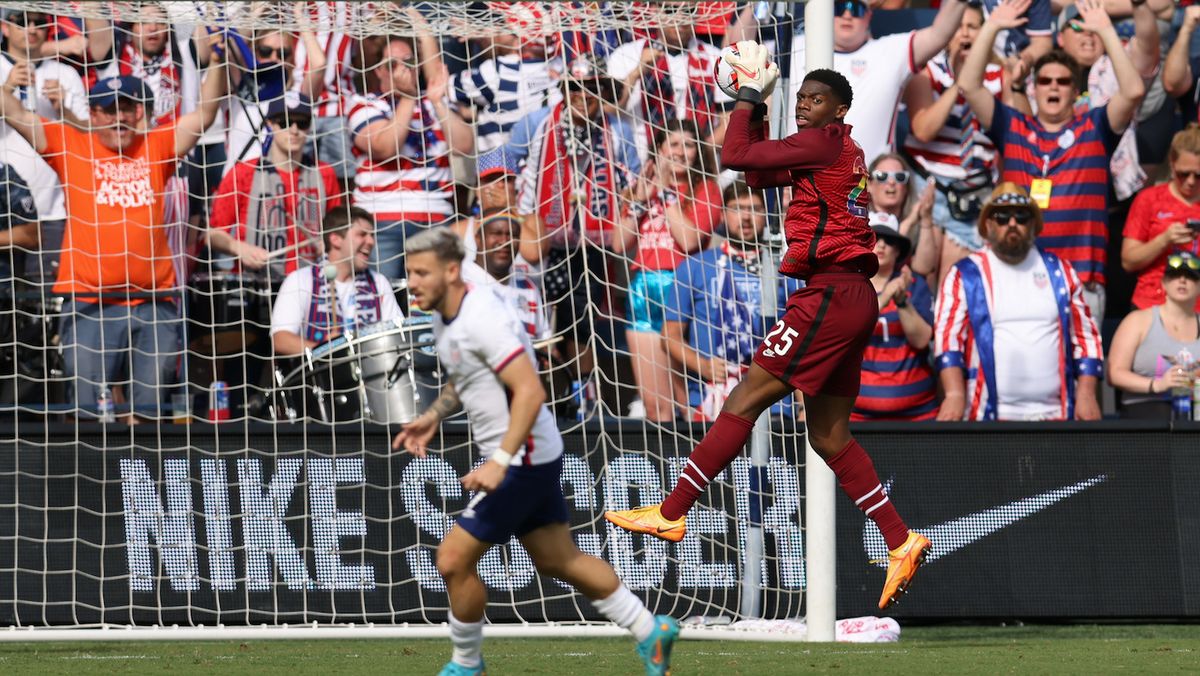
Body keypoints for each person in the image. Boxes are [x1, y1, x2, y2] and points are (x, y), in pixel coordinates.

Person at [605, 43, 931, 611]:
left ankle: (670, 512)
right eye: (800, 98)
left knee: (744, 396)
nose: (804, 106)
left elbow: (732, 155)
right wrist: (754, 109)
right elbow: (756, 172)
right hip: (848, 294)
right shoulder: (836, 149)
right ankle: (901, 540)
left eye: (817, 99)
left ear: (840, 110)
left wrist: (749, 94)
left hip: (829, 293)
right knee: (828, 436)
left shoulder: (824, 141)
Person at [391, 227, 678, 676]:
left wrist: (500, 461)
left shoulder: (482, 317)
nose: (414, 282)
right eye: (409, 272)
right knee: (558, 559)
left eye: (422, 272)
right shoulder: (443, 316)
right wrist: (432, 416)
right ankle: (649, 629)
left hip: (521, 458)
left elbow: (530, 391)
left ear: (451, 271)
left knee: (451, 559)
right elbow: (466, 376)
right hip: (533, 453)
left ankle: (466, 665)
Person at [0, 44, 227, 421]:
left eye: (127, 107)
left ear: (139, 112)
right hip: (90, 304)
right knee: (88, 416)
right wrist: (8, 84)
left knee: (151, 417)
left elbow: (205, 114)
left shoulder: (155, 145)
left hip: (154, 304)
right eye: (109, 109)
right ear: (93, 113)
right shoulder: (71, 145)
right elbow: (11, 111)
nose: (119, 117)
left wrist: (218, 59)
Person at [958, 0, 1145, 328]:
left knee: (1083, 377)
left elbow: (1132, 90)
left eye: (1062, 81)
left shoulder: (1095, 128)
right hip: (1018, 276)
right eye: (1045, 81)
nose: (1053, 87)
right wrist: (991, 26)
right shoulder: (1013, 127)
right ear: (1034, 88)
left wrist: (1105, 30)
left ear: (1075, 91)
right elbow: (969, 86)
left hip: (1081, 280)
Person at [516, 54, 639, 417]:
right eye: (575, 88)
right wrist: (514, 206)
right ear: (564, 90)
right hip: (543, 237)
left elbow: (631, 180)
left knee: (583, 320)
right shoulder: (538, 122)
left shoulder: (618, 130)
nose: (583, 96)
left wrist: (614, 205)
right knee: (543, 320)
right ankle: (549, 395)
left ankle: (581, 396)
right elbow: (502, 158)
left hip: (595, 240)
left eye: (592, 88)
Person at [935, 183, 1103, 421]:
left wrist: (1087, 394)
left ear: (1033, 224)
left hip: (1055, 415)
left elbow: (1087, 337)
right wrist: (953, 394)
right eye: (1002, 216)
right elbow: (947, 339)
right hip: (987, 415)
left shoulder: (1061, 271)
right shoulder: (965, 274)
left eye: (1021, 216)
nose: (1012, 223)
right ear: (988, 224)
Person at [662, 181, 802, 422]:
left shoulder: (786, 268)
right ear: (724, 214)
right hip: (712, 398)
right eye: (737, 208)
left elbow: (802, 339)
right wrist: (703, 365)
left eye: (755, 209)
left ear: (767, 215)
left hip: (774, 401)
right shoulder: (695, 266)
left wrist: (802, 406)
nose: (746, 217)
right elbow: (670, 336)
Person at [611, 119, 722, 421]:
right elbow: (619, 244)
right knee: (656, 407)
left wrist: (667, 193)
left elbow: (688, 240)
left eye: (688, 145)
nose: (681, 152)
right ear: (659, 150)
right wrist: (642, 198)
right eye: (673, 144)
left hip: (682, 288)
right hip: (643, 290)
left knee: (689, 403)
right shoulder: (641, 188)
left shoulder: (706, 189)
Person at [902, 2, 1018, 283]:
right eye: (959, 27)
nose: (964, 34)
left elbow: (1015, 136)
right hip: (928, 188)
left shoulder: (1000, 75)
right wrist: (959, 84)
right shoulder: (927, 71)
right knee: (921, 282)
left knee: (957, 285)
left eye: (973, 27)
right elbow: (924, 130)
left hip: (974, 194)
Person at [348, 27, 473, 280]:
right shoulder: (366, 104)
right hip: (382, 220)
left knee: (430, 303)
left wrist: (437, 102)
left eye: (409, 62)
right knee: (384, 300)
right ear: (379, 71)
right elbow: (386, 147)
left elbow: (464, 145)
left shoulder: (433, 104)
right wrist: (407, 97)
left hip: (435, 216)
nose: (403, 69)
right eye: (393, 64)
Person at [785, 0, 967, 162]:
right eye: (839, 7)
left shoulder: (890, 52)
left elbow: (940, 33)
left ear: (869, 15)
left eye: (856, 8)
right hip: (798, 180)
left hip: (867, 187)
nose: (847, 15)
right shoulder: (795, 47)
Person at [208, 96, 342, 283]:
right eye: (285, 122)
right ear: (270, 124)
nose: (294, 130)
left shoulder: (324, 173)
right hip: (256, 283)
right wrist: (240, 248)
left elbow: (338, 229)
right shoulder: (243, 173)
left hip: (312, 281)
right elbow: (212, 234)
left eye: (302, 123)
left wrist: (329, 243)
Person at [0, 8, 88, 284]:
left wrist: (65, 110)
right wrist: (7, 89)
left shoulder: (66, 74)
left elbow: (90, 139)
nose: (32, 28)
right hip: (5, 216)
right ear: (5, 28)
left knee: (49, 305)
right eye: (22, 22)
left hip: (54, 209)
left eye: (39, 22)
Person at [270, 207, 403, 357]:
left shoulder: (378, 282)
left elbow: (397, 335)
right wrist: (328, 351)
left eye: (372, 235)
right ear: (335, 239)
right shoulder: (300, 280)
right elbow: (280, 340)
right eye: (362, 234)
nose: (371, 241)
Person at [605, 20, 731, 159]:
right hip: (642, 163)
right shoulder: (626, 54)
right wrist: (637, 72)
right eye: (671, 10)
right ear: (656, 11)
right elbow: (609, 111)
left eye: (687, 10)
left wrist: (696, 155)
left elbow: (730, 119)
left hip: (700, 165)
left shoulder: (715, 57)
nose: (680, 18)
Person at [854, 216, 938, 421]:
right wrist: (885, 297)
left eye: (889, 240)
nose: (881, 244)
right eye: (875, 237)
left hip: (918, 413)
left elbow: (921, 340)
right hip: (857, 415)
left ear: (898, 250)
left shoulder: (915, 285)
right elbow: (846, 337)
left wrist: (902, 302)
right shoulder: (849, 285)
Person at [1107, 251, 1200, 419]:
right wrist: (1157, 385)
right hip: (1145, 414)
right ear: (1163, 283)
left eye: (1190, 276)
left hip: (1194, 412)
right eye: (1175, 275)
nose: (1183, 280)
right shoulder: (1138, 321)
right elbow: (1114, 373)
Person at [1122, 126, 1200, 311]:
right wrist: (1164, 239)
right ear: (1172, 164)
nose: (1190, 181)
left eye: (1199, 176)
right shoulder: (1149, 199)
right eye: (1183, 174)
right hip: (1152, 304)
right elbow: (1128, 261)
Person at [460, 211, 549, 344]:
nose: (505, 241)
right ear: (478, 239)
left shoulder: (528, 287)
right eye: (496, 233)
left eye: (512, 235)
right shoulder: (459, 282)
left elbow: (544, 342)